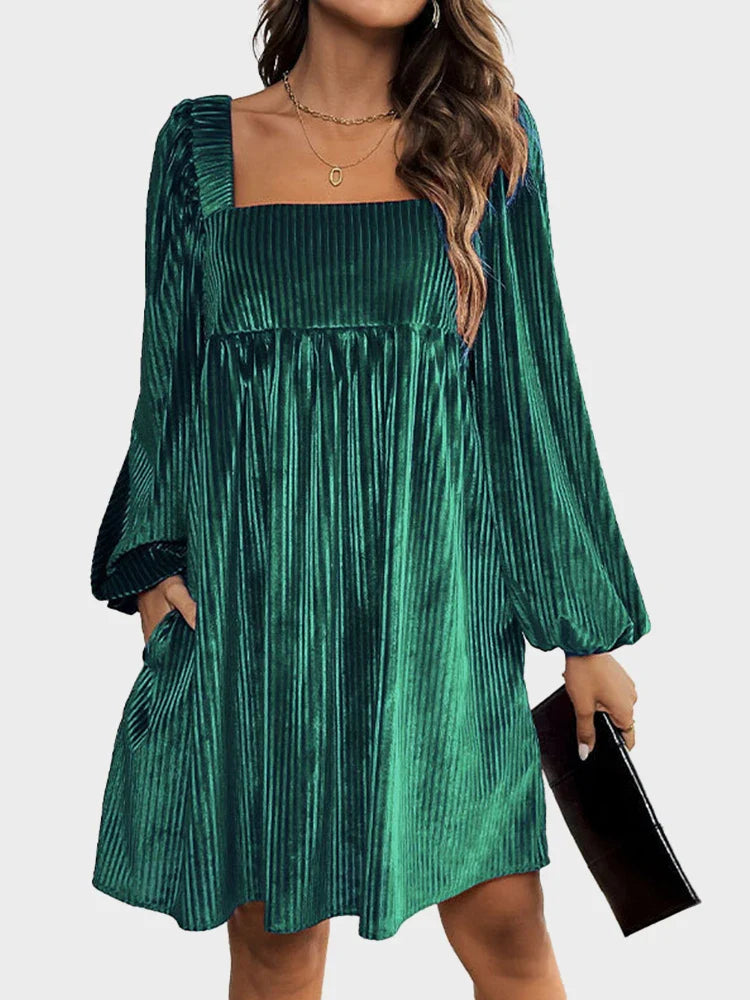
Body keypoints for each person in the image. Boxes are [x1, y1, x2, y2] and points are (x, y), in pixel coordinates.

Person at [90, 2, 649, 998]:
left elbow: (530, 395)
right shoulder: (197, 150)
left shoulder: (488, 138)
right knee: (276, 948)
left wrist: (586, 635)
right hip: (262, 629)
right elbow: (165, 386)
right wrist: (151, 566)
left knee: (507, 933)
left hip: (442, 622)